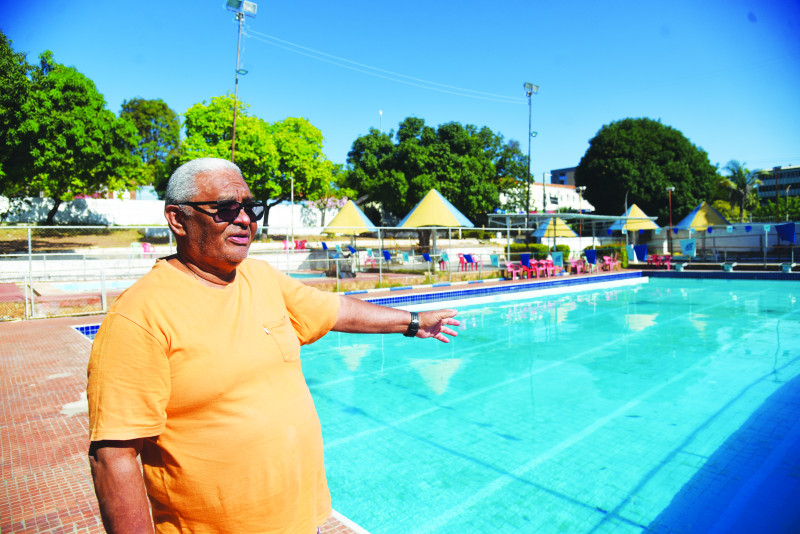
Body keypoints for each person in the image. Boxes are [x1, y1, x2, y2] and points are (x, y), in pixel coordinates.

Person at [87, 158, 459, 533]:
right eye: (226, 208)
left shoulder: (260, 277)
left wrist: (412, 322)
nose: (246, 219)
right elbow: (113, 456)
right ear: (178, 219)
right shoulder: (140, 316)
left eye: (250, 207)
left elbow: (334, 310)